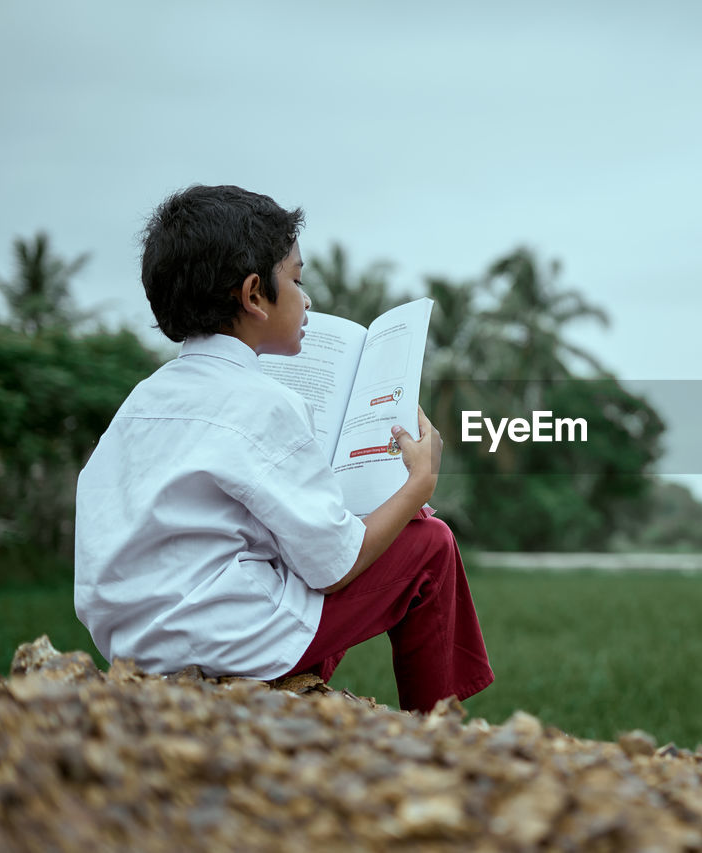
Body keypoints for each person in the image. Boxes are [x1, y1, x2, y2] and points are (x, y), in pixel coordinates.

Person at [74, 184, 493, 712]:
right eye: (296, 279)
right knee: (429, 543)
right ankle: (440, 729)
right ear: (253, 295)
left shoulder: (142, 400)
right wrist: (419, 485)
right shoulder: (264, 401)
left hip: (133, 643)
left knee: (297, 546)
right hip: (225, 641)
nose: (307, 298)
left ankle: (297, 693)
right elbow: (333, 566)